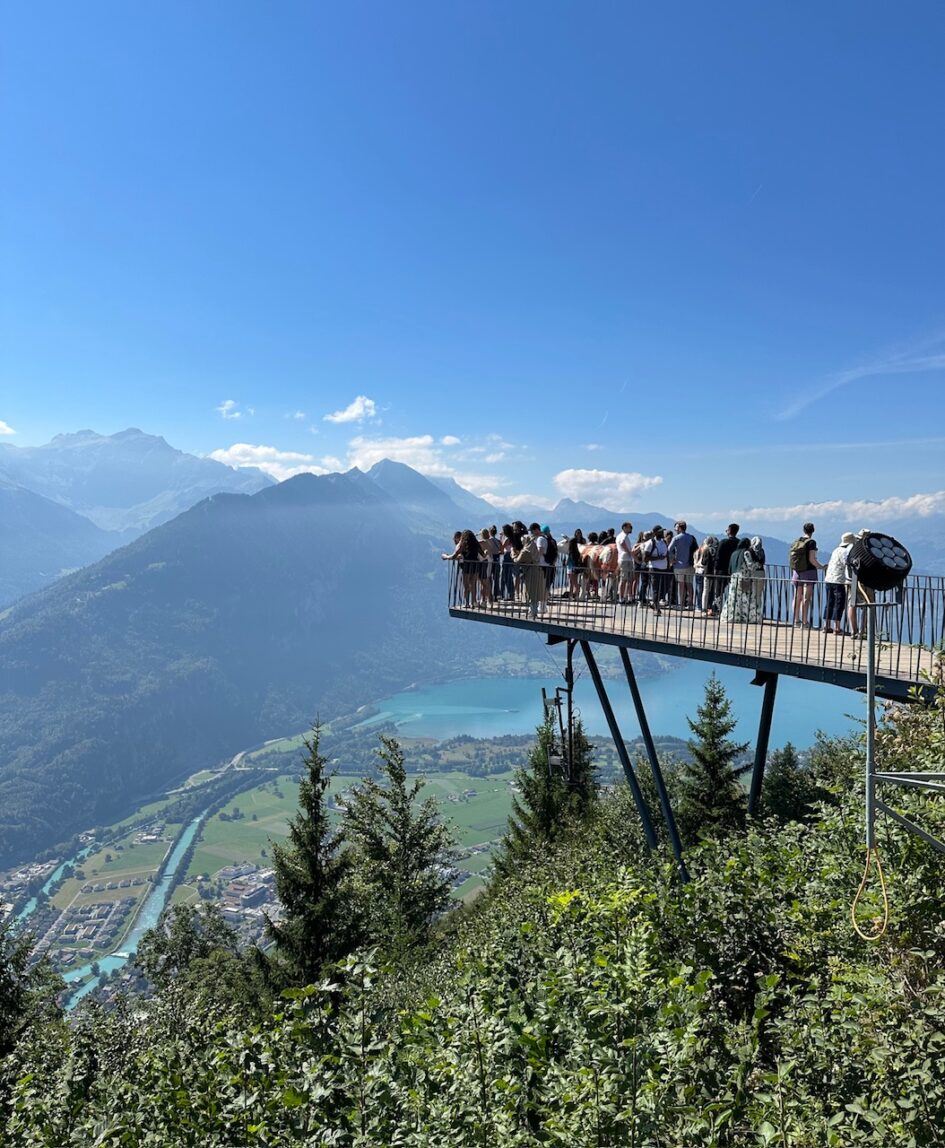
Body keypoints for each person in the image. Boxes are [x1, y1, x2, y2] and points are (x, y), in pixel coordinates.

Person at [720, 536, 765, 622]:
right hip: (744, 578)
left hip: (734, 578)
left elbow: (729, 567)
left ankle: (731, 616)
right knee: (746, 598)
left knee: (733, 598)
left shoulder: (734, 553)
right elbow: (750, 565)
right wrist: (757, 565)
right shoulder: (746, 553)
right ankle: (749, 618)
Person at [790, 522, 826, 627]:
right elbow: (812, 559)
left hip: (797, 571)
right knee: (806, 597)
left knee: (797, 596)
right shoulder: (811, 542)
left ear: (804, 530)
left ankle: (796, 620)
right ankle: (805, 621)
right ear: (813, 530)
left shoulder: (797, 541)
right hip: (809, 572)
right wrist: (821, 567)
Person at [824, 532, 856, 634]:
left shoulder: (836, 550)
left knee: (829, 602)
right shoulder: (844, 551)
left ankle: (826, 626)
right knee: (839, 603)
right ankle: (837, 628)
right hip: (839, 580)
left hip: (829, 578)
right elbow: (846, 564)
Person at [668, 520, 698, 609]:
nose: (675, 529)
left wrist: (672, 559)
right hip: (690, 565)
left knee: (681, 585)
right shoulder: (691, 538)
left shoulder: (676, 538)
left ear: (680, 528)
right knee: (689, 584)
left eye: (676, 528)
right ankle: (691, 604)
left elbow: (669, 550)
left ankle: (681, 604)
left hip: (679, 565)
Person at [643, 525, 669, 612]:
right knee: (656, 588)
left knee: (664, 588)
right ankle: (656, 607)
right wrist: (658, 558)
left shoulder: (664, 542)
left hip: (664, 569)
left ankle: (654, 603)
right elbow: (645, 558)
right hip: (654, 568)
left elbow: (667, 554)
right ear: (656, 533)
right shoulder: (651, 543)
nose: (662, 533)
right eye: (661, 531)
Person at [694, 534, 719, 615]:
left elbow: (701, 561)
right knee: (708, 590)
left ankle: (701, 607)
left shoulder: (700, 549)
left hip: (700, 570)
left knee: (701, 590)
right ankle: (708, 607)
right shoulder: (712, 550)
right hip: (709, 572)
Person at [616, 521, 635, 605]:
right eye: (629, 527)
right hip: (625, 559)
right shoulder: (622, 536)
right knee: (623, 579)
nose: (631, 528)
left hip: (626, 559)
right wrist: (629, 552)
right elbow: (622, 543)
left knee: (628, 579)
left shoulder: (623, 536)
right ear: (624, 527)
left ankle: (627, 597)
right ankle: (621, 598)